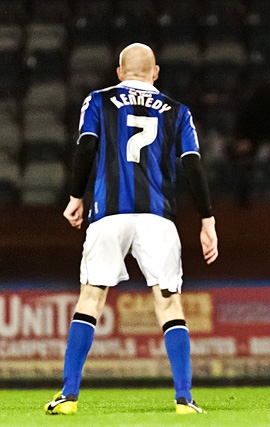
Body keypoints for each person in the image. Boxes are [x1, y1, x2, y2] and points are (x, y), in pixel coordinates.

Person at [44, 43, 218, 415]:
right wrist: (207, 219)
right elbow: (192, 166)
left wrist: (76, 197)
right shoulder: (178, 111)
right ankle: (184, 399)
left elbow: (86, 147)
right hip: (158, 219)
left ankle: (69, 396)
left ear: (120, 73)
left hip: (109, 214)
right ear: (155, 73)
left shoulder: (98, 101)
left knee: (90, 298)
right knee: (169, 303)